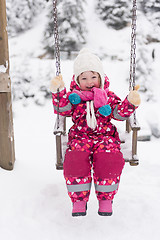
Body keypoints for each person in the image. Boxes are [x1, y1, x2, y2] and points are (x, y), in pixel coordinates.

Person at [50, 48, 141, 217]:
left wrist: (130, 102)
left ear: (100, 77)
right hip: (80, 136)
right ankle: (79, 201)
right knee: (75, 160)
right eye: (84, 78)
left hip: (105, 137)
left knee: (109, 159)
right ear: (77, 80)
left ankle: (106, 199)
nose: (89, 81)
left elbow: (119, 114)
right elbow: (61, 108)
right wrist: (58, 91)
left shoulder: (108, 96)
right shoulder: (73, 97)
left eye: (93, 77)